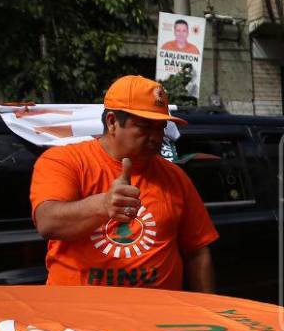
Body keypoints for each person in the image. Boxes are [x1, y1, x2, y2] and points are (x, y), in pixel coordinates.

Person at [30, 75, 218, 291]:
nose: (156, 137)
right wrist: (103, 205)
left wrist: (208, 310)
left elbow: (197, 252)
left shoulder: (175, 177)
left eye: (160, 128)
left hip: (157, 316)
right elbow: (48, 223)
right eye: (145, 127)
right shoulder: (65, 161)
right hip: (81, 314)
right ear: (112, 122)